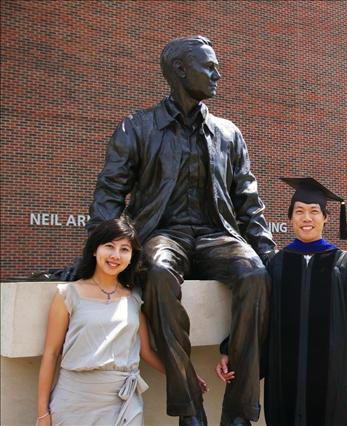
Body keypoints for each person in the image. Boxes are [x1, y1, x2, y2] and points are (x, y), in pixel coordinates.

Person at [87, 36, 275, 426]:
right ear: (179, 70)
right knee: (156, 271)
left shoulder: (228, 133)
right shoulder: (138, 127)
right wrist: (102, 255)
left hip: (216, 235)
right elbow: (108, 194)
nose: (217, 74)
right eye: (209, 67)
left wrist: (269, 255)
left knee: (256, 273)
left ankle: (239, 414)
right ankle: (190, 408)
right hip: (163, 233)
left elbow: (248, 201)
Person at [216, 177, 347, 426]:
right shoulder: (277, 265)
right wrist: (230, 351)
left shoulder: (345, 265)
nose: (306, 218)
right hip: (285, 385)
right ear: (290, 219)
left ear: (326, 218)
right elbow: (258, 315)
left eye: (314, 211)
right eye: (299, 211)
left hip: (335, 387)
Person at [36, 217, 174, 426]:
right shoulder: (68, 294)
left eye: (124, 249)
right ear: (94, 250)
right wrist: (42, 413)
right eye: (109, 246)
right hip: (74, 400)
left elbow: (145, 351)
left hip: (123, 401)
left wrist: (183, 378)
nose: (115, 255)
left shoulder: (134, 298)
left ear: (131, 257)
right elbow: (51, 353)